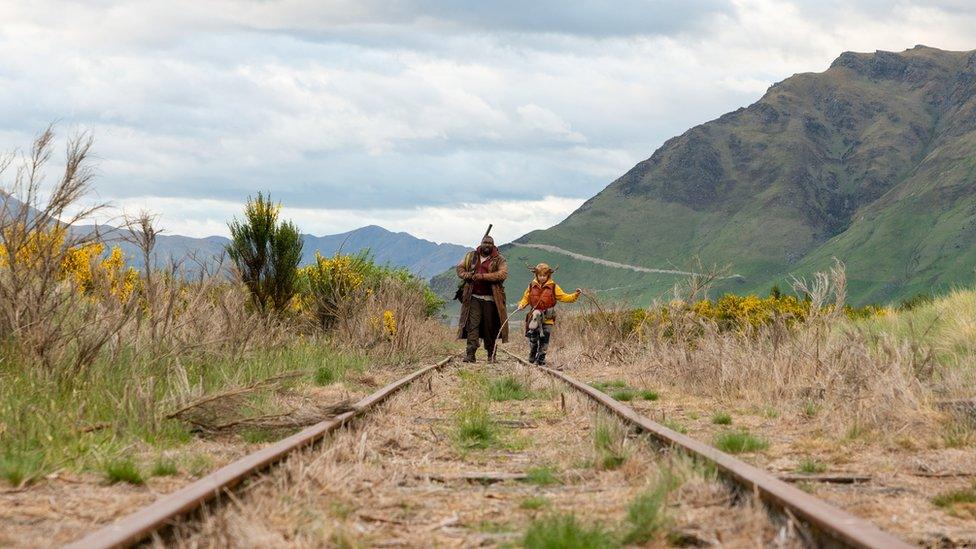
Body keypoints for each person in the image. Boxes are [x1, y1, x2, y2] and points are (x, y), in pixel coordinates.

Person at [456, 235, 508, 363]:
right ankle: (470, 354)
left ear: (493, 245)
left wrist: (482, 276)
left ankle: (491, 355)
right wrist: (467, 275)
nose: (487, 245)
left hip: (492, 299)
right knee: (472, 326)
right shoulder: (471, 256)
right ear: (481, 243)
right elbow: (460, 268)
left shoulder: (499, 259)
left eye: (490, 243)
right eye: (485, 242)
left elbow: (502, 274)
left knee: (490, 327)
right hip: (473, 297)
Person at [516, 263, 580, 365]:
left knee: (545, 339)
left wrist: (575, 295)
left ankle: (540, 360)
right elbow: (526, 298)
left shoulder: (553, 286)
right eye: (540, 275)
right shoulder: (531, 286)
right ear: (536, 275)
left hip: (548, 317)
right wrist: (521, 305)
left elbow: (564, 297)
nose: (542, 277)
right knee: (533, 339)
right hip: (534, 317)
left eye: (544, 275)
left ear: (548, 275)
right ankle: (532, 355)